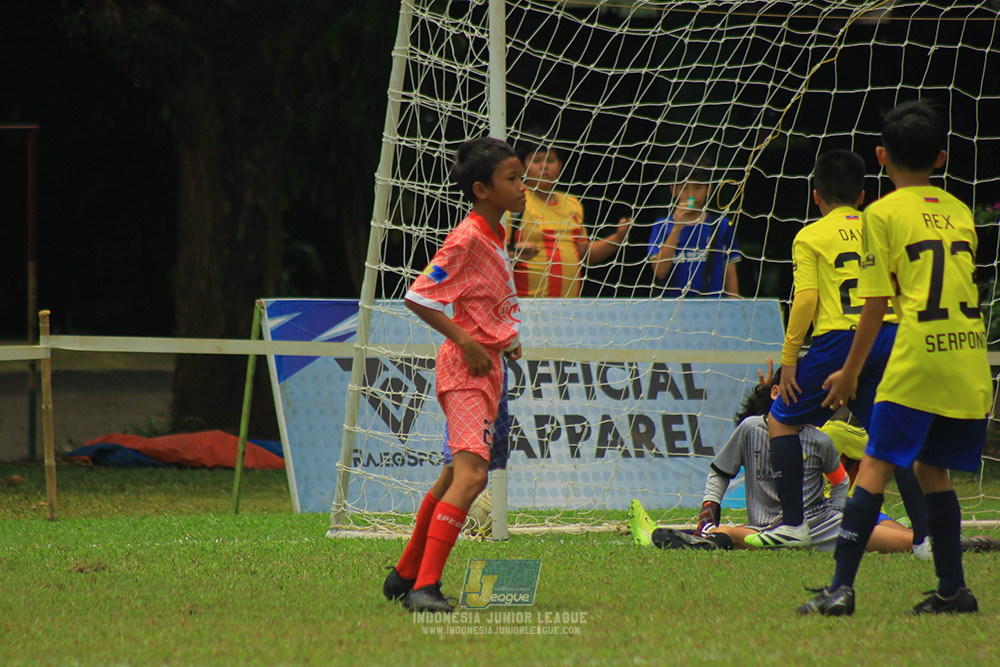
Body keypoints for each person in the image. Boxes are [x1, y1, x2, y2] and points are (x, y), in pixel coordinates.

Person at [798, 99, 992, 616]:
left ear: (881, 155)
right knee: (932, 469)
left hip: (919, 358)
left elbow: (876, 303)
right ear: (942, 158)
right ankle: (952, 589)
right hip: (968, 357)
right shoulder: (959, 212)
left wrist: (850, 372)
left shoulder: (880, 214)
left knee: (875, 465)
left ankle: (840, 589)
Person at [745, 150, 929, 554]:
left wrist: (789, 359)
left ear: (816, 196)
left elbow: (807, 299)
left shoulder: (810, 236)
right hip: (888, 336)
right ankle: (925, 538)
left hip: (839, 342)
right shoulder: (881, 228)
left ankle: (794, 525)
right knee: (893, 437)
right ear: (862, 196)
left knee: (780, 420)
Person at [381, 137, 526, 613]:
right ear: (482, 189)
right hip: (467, 369)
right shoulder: (466, 237)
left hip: (488, 367)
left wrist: (503, 337)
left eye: (521, 177)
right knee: (472, 475)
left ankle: (405, 573)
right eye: (513, 178)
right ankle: (425, 588)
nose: (523, 187)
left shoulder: (495, 233)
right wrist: (467, 341)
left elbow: (481, 298)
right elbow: (418, 296)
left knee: (454, 476)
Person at [626, 368, 913, 553]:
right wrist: (708, 510)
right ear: (776, 392)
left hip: (821, 526)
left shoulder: (819, 438)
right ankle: (666, 537)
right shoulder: (750, 429)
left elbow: (840, 481)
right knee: (727, 532)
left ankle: (932, 539)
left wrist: (836, 509)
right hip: (763, 530)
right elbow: (720, 472)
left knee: (903, 539)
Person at [511, 136, 631, 297]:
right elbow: (496, 254)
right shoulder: (515, 201)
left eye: (550, 160)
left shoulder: (572, 203)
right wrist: (515, 253)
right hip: (527, 305)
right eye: (536, 160)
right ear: (522, 167)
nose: (544, 166)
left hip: (569, 307)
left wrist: (617, 239)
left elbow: (583, 254)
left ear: (560, 166)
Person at [646, 155, 740, 297]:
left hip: (712, 306)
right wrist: (677, 228)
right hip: (673, 307)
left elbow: (730, 274)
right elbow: (659, 272)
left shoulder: (721, 225)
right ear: (673, 190)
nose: (691, 195)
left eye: (698, 188)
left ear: (709, 189)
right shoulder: (661, 226)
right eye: (684, 188)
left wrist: (735, 306)